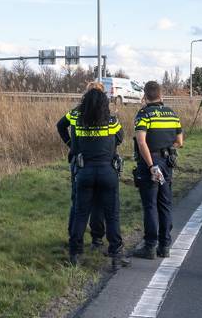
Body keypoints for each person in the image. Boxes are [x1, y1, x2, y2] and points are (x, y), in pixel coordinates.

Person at [66, 88, 130, 270]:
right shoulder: (112, 122)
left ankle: (75, 253)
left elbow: (75, 146)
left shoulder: (79, 123)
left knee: (80, 214)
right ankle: (116, 255)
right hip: (107, 172)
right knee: (112, 215)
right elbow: (119, 139)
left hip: (84, 172)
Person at [132, 81, 184, 259]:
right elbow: (180, 142)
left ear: (145, 96)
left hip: (151, 163)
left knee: (150, 205)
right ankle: (165, 246)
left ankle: (150, 246)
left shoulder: (143, 114)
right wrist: (167, 148)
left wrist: (151, 165)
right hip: (167, 162)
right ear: (161, 95)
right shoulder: (172, 114)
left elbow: (141, 142)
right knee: (165, 203)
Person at [56, 82, 106, 250]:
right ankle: (97, 239)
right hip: (100, 163)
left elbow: (60, 125)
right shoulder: (106, 114)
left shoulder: (75, 112)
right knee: (98, 201)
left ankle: (74, 236)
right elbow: (118, 137)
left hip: (78, 161)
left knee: (77, 201)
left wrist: (71, 143)